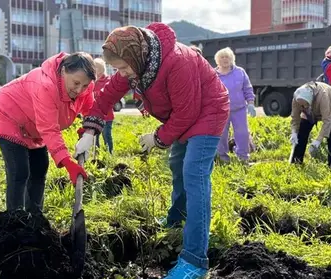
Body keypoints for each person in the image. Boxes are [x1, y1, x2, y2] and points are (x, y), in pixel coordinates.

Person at [74, 23, 229, 278]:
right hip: (180, 115)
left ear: (137, 55)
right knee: (177, 166)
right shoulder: (138, 62)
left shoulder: (178, 62)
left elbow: (187, 113)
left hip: (208, 111)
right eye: (117, 69)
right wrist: (90, 131)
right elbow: (105, 96)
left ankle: (195, 261)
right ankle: (176, 219)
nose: (121, 74)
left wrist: (157, 138)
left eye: (123, 68)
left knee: (194, 174)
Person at [0, 52, 95, 213]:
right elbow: (49, 129)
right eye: (76, 83)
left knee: (40, 167)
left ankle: (35, 218)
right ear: (64, 71)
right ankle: (15, 220)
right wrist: (68, 163)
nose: (80, 90)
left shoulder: (85, 85)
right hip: (8, 116)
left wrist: (87, 129)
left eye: (85, 85)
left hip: (33, 125)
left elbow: (89, 108)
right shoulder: (46, 86)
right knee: (20, 171)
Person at [214, 47, 256, 162]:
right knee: (221, 134)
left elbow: (247, 88)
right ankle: (222, 157)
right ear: (217, 60)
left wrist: (251, 103)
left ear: (232, 58)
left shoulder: (240, 72)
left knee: (242, 133)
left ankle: (243, 157)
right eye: (222, 57)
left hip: (239, 109)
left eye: (227, 57)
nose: (225, 59)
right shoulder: (213, 75)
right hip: (221, 110)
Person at [289, 81, 331, 167]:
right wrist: (294, 132)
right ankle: (296, 162)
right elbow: (295, 117)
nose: (303, 107)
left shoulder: (323, 97)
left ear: (310, 100)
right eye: (301, 105)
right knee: (302, 132)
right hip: (311, 110)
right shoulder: (297, 98)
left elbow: (327, 120)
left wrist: (318, 140)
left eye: (305, 105)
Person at [93, 58, 114, 154]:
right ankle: (96, 155)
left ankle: (109, 153)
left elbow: (110, 95)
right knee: (94, 136)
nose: (93, 70)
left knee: (106, 135)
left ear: (101, 69)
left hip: (107, 116)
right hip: (95, 116)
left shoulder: (108, 80)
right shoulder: (91, 82)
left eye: (95, 68)